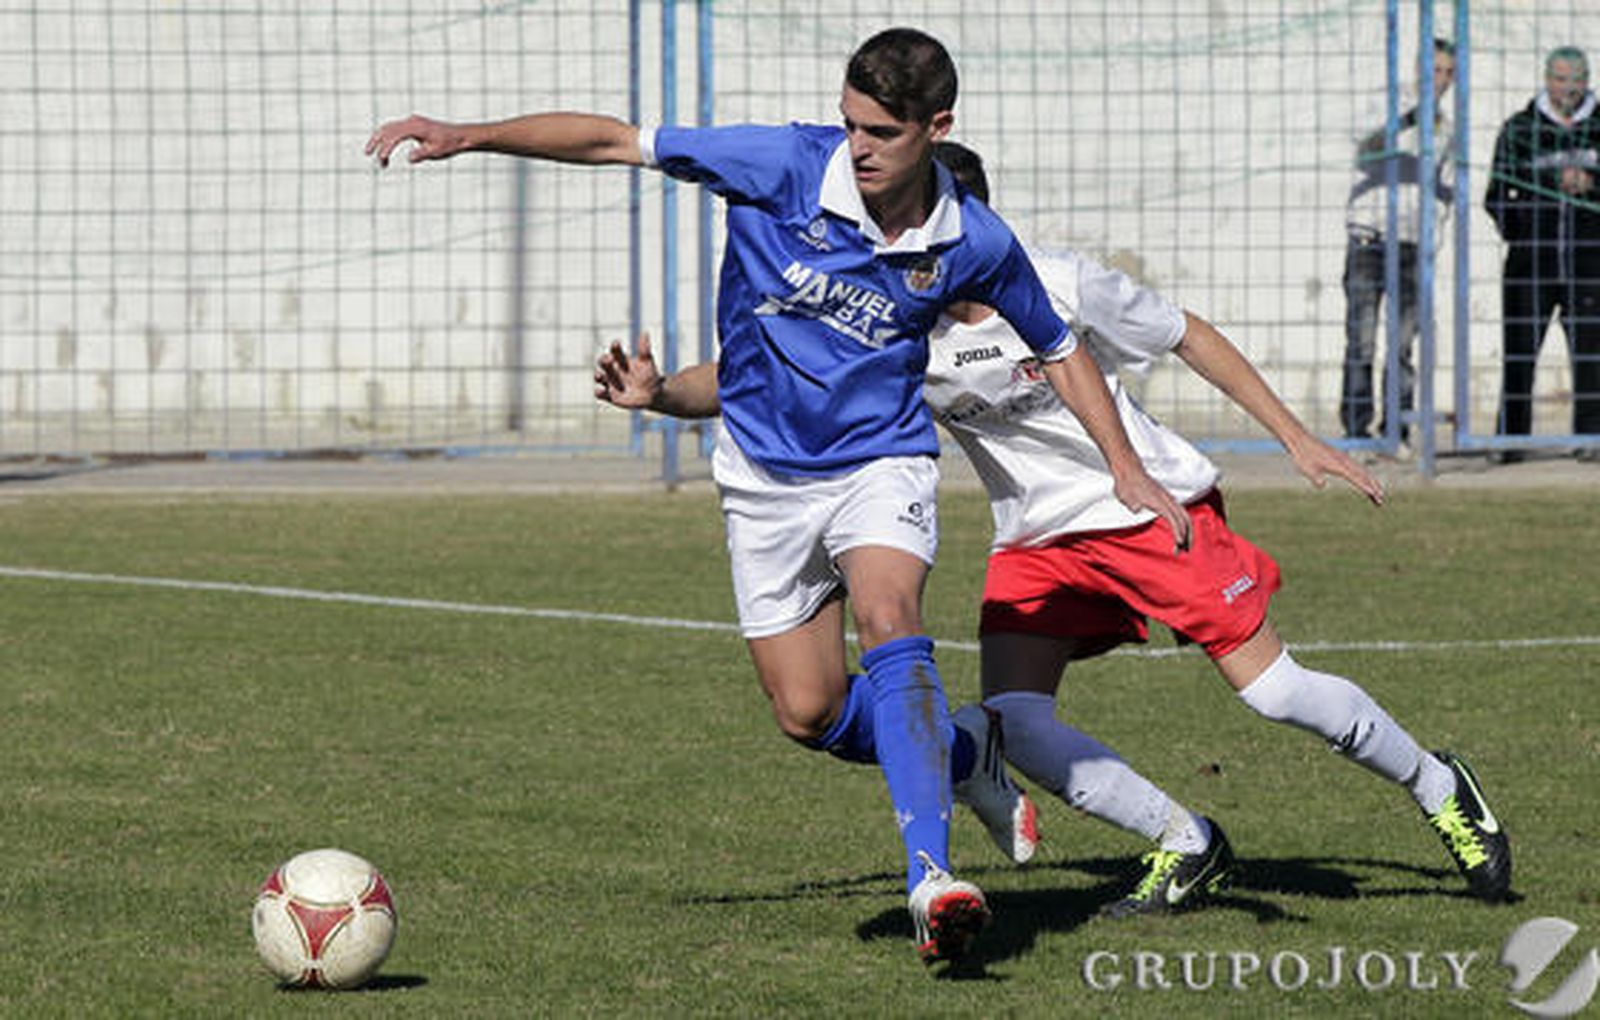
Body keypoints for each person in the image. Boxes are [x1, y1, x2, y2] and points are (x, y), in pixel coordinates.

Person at [370, 28, 1191, 964]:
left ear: (937, 127)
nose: (860, 147)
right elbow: (614, 141)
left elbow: (1058, 343)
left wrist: (1124, 464)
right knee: (807, 711)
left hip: (880, 461)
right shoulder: (780, 165)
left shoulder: (971, 238)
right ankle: (963, 756)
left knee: (892, 620)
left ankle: (932, 877)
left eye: (882, 130)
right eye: (850, 125)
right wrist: (467, 135)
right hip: (762, 476)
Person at [598, 141, 1514, 915]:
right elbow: (759, 377)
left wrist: (1296, 436)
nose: (899, 249)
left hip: (1148, 512)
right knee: (1017, 723)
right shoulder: (895, 318)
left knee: (1272, 693)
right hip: (1036, 541)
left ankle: (1440, 786)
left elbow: (1186, 333)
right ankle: (1186, 840)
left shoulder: (1060, 283)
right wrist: (662, 396)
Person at [1485, 45, 1600, 462]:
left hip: (1590, 262)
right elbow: (1495, 196)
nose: (1567, 89)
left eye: (1575, 80)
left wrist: (1590, 187)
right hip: (1530, 263)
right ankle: (1509, 441)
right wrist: (1526, 227)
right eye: (1559, 79)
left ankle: (1591, 439)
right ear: (1546, 79)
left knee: (1592, 353)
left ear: (1587, 81)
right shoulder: (1519, 129)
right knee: (1519, 351)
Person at [1340, 38, 1456, 446]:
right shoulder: (1385, 104)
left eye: (1447, 73)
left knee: (1402, 345)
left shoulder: (1445, 128)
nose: (1440, 80)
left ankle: (1395, 430)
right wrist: (1408, 117)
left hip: (1409, 247)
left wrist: (1431, 237)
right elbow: (1362, 147)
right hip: (1369, 241)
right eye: (1434, 70)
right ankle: (1356, 431)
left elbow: (1446, 190)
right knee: (1362, 339)